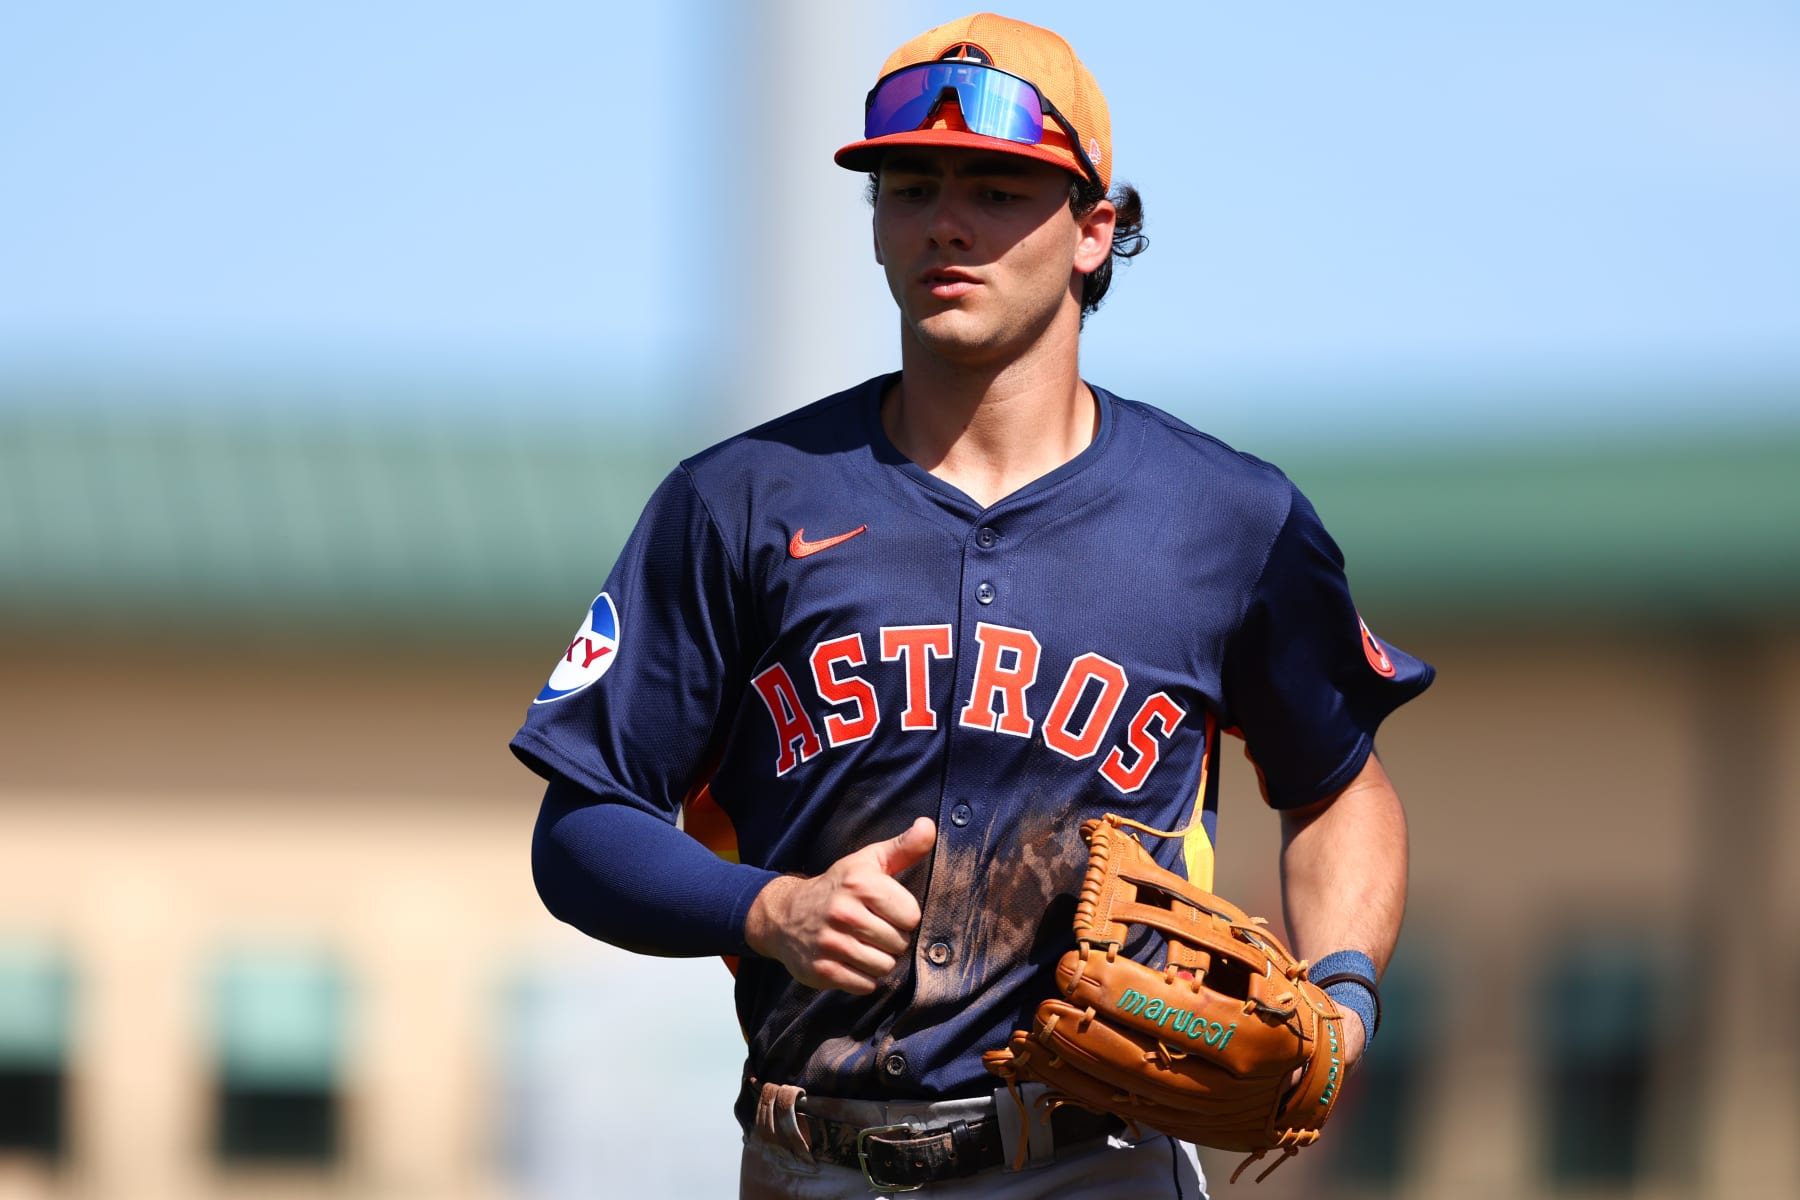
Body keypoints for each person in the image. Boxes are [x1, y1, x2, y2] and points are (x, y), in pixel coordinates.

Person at [513, 12, 1433, 1198]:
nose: (946, 221)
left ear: (1096, 230)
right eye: (909, 187)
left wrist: (1345, 995)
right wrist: (768, 908)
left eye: (998, 188)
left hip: (1095, 1162)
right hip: (814, 1160)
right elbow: (581, 827)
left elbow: (1338, 786)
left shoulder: (1225, 519)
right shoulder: (738, 503)